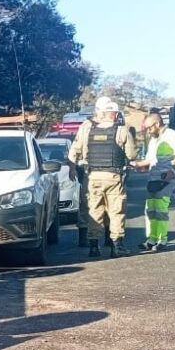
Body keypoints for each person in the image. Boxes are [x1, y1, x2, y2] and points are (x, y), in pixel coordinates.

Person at [69, 100, 137, 258]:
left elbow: (75, 149)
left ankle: (93, 247)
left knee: (94, 210)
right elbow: (132, 155)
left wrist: (72, 167)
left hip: (92, 176)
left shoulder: (88, 128)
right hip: (113, 176)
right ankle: (116, 246)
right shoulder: (121, 130)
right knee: (116, 211)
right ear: (113, 114)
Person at [131, 113, 175, 252]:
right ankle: (152, 239)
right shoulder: (154, 140)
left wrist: (173, 170)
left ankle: (163, 239)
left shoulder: (171, 135)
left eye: (149, 127)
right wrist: (136, 164)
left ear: (156, 124)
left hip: (165, 178)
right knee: (151, 210)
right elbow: (149, 159)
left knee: (161, 210)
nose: (148, 130)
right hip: (153, 178)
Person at [71, 96, 112, 247]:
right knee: (87, 204)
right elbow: (76, 147)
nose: (106, 114)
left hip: (110, 170)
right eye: (104, 111)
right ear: (98, 111)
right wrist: (72, 167)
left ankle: (109, 236)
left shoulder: (115, 125)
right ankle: (84, 237)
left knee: (110, 204)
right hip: (90, 170)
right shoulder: (86, 126)